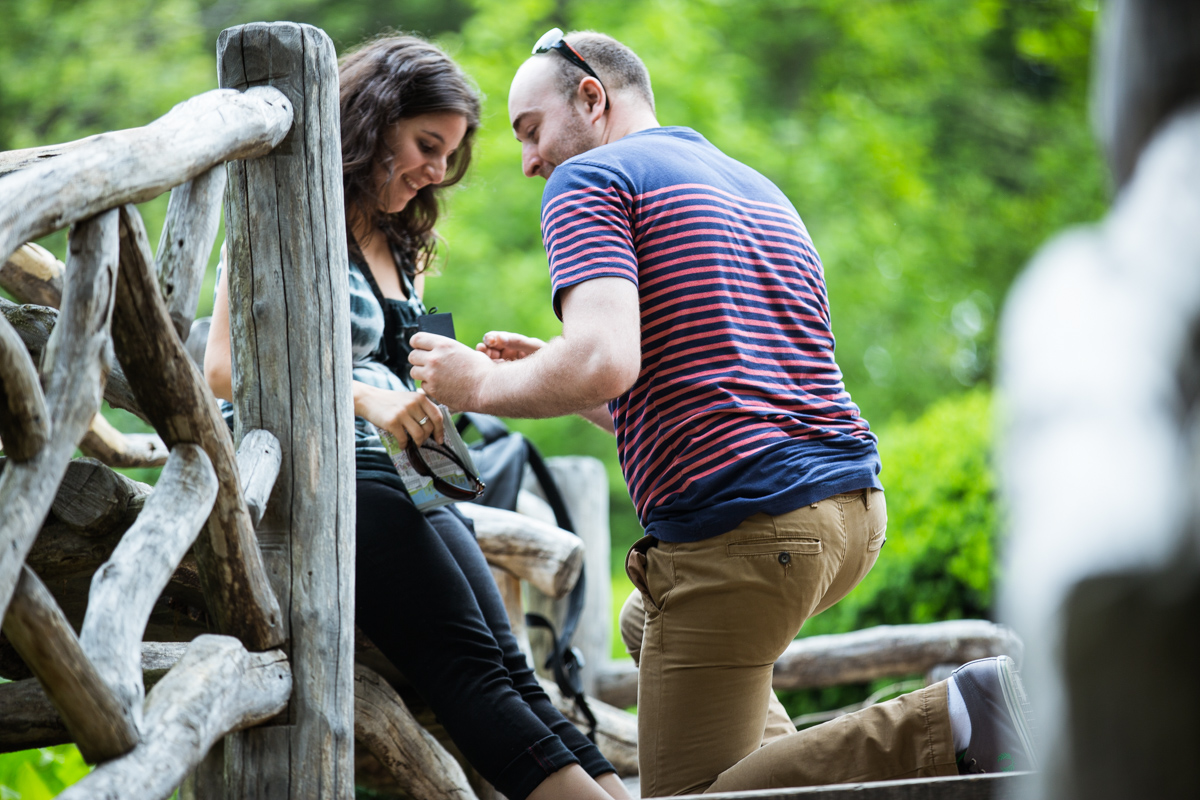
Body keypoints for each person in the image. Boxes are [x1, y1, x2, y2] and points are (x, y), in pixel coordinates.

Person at [408, 29, 1039, 796]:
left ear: (591, 98)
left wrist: (472, 383)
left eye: (530, 131)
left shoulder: (590, 179)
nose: (529, 161)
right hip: (850, 513)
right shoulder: (751, 185)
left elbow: (605, 358)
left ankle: (950, 719)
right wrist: (555, 370)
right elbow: (703, 389)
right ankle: (868, 747)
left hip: (749, 532)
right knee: (648, 626)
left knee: (683, 797)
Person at [204, 34, 630, 800]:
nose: (437, 170)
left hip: (418, 476)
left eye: (449, 155)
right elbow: (223, 370)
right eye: (426, 145)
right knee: (470, 674)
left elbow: (401, 369)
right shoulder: (282, 211)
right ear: (371, 121)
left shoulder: (405, 239)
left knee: (512, 670)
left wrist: (472, 371)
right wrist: (366, 398)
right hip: (333, 476)